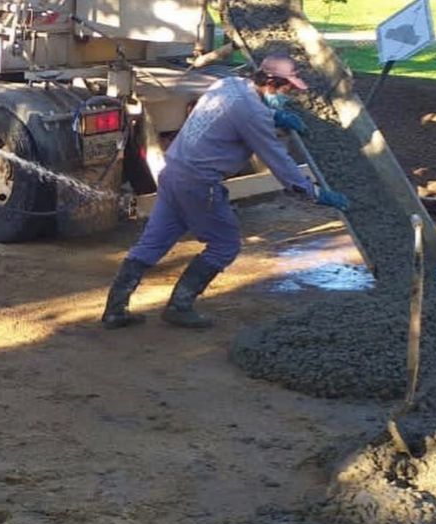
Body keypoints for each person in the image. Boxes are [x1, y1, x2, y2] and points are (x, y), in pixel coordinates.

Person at [101, 55, 349, 329]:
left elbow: (236, 114)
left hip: (174, 174)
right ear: (269, 83)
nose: (289, 95)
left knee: (153, 243)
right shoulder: (253, 114)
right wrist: (312, 192)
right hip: (199, 183)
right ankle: (180, 305)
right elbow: (278, 160)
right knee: (224, 244)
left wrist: (273, 114)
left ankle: (115, 309)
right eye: (287, 88)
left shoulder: (230, 84)